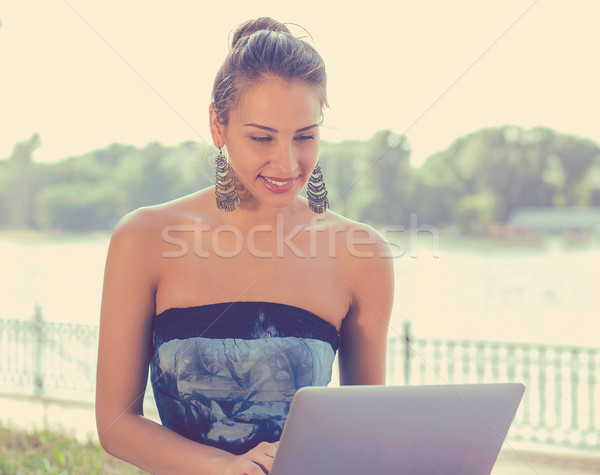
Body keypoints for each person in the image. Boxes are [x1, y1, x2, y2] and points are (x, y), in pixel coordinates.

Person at [96, 17, 394, 474]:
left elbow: (366, 431)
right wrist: (224, 467)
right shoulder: (144, 238)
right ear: (218, 125)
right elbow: (116, 424)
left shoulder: (363, 254)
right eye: (261, 138)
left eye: (305, 137)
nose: (287, 162)